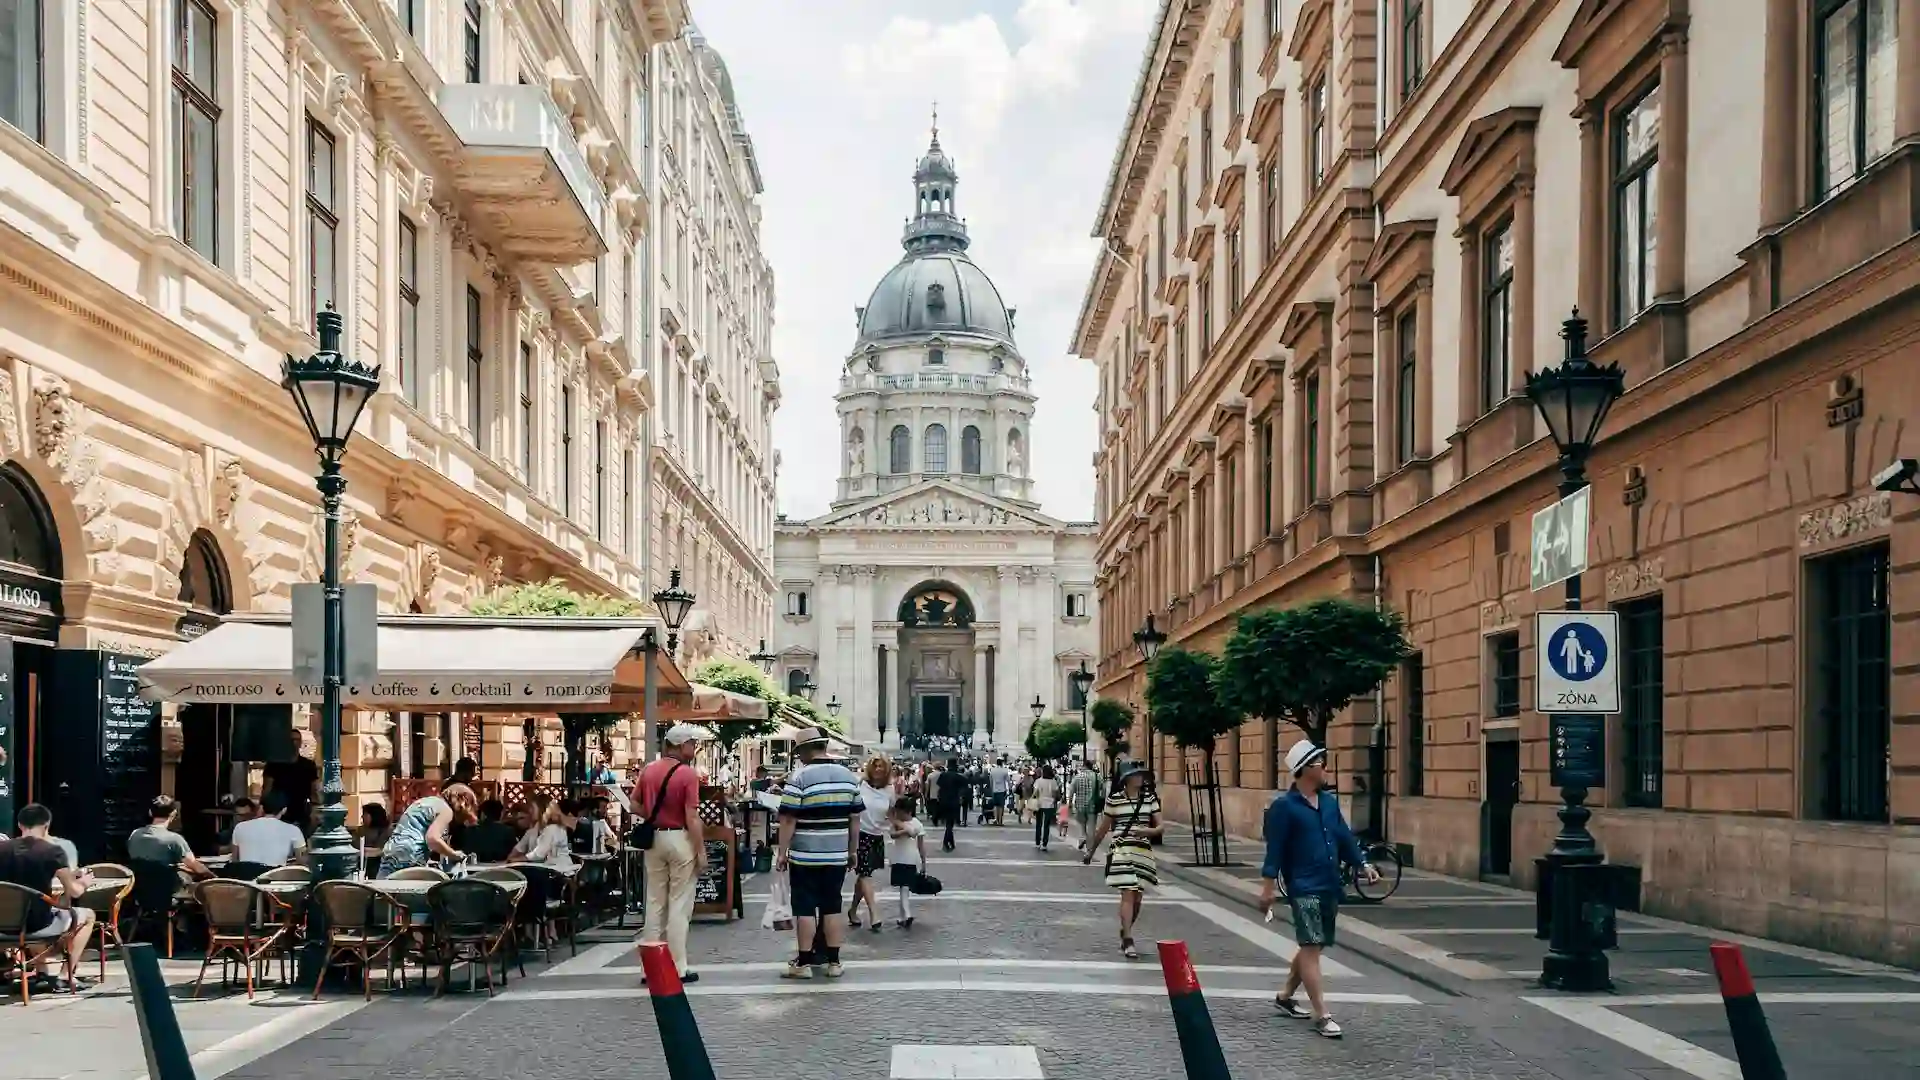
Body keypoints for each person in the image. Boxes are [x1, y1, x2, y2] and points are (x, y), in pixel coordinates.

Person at [1259, 741, 1377, 1040]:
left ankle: (1285, 996)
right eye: (1322, 763)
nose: (1326, 769)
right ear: (1308, 768)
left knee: (1315, 943)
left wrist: (1362, 864)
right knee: (1311, 946)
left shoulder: (1329, 803)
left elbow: (1344, 836)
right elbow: (1275, 850)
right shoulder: (1284, 807)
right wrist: (1268, 887)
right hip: (1303, 886)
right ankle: (1322, 1015)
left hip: (1329, 884)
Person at [773, 726, 861, 980]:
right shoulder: (848, 776)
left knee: (805, 907)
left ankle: (803, 962)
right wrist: (852, 850)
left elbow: (788, 819)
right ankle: (834, 962)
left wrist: (782, 852)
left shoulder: (799, 778)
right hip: (836, 853)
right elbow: (855, 818)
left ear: (805, 751)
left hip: (805, 854)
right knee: (832, 906)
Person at [634, 724, 709, 982]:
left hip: (654, 838)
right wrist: (701, 850)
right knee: (679, 905)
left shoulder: (649, 770)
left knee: (655, 902)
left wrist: (653, 816)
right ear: (680, 745)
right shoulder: (687, 774)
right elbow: (692, 816)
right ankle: (678, 967)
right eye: (692, 744)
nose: (694, 748)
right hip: (680, 839)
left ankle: (649, 968)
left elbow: (634, 804)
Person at [0, 804, 96, 993]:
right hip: (37, 923)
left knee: (35, 908)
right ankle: (65, 977)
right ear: (47, 825)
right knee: (88, 915)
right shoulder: (53, 851)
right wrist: (84, 881)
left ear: (20, 825)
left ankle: (41, 972)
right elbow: (74, 892)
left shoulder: (2, 849)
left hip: (3, 924)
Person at [1081, 761, 1161, 959]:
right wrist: (1091, 852)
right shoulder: (1115, 800)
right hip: (1121, 849)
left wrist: (1146, 831)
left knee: (1138, 898)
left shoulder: (1150, 798)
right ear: (1127, 779)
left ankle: (1125, 930)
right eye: (1136, 775)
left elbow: (1161, 828)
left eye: (1142, 775)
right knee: (1128, 892)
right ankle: (1128, 939)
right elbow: (1103, 828)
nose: (1140, 778)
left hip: (1142, 851)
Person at [377, 784, 476, 878]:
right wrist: (453, 854)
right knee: (413, 893)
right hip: (412, 854)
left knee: (382, 890)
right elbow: (432, 839)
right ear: (462, 801)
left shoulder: (424, 802)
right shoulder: (446, 810)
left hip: (392, 850)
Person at [848, 756, 893, 931]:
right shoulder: (860, 784)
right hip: (860, 835)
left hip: (877, 836)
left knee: (863, 876)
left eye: (881, 766)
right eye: (875, 766)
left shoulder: (890, 790)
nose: (878, 769)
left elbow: (891, 812)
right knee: (865, 874)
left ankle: (852, 910)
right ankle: (874, 913)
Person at [128, 796, 214, 879]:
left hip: (139, 886)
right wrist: (215, 878)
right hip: (168, 888)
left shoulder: (135, 834)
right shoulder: (175, 839)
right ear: (173, 813)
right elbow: (195, 866)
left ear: (150, 812)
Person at [230, 791, 307, 866]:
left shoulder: (239, 827)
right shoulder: (293, 830)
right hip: (275, 877)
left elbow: (234, 860)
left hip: (245, 877)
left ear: (262, 808)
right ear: (284, 810)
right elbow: (302, 861)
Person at [886, 796, 927, 929]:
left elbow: (921, 846)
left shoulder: (917, 824)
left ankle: (906, 915)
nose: (897, 814)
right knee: (903, 888)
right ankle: (903, 917)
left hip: (909, 859)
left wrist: (923, 862)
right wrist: (906, 831)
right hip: (899, 858)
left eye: (900, 812)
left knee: (904, 887)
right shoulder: (898, 824)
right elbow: (892, 834)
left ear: (908, 812)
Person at [508, 799, 577, 870]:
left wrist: (518, 859)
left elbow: (539, 854)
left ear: (542, 809)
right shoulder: (535, 828)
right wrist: (510, 858)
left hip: (558, 870)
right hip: (544, 868)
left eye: (532, 808)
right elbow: (520, 846)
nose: (530, 811)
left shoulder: (553, 828)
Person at [263, 752, 319, 834]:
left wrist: (314, 809)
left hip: (301, 811)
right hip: (279, 811)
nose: (294, 743)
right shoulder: (274, 763)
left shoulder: (308, 764)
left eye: (297, 740)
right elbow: (267, 788)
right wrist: (264, 808)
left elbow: (313, 790)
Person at [464, 799, 519, 863]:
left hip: (475, 870)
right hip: (502, 869)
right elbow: (514, 854)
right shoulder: (508, 831)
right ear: (500, 814)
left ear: (483, 814)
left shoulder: (471, 831)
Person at [933, 757, 965, 852]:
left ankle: (950, 841)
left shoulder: (943, 775)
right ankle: (947, 842)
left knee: (948, 823)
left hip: (943, 801)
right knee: (950, 824)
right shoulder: (958, 776)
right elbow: (964, 787)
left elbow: (939, 787)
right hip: (953, 801)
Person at [1068, 764, 1104, 849]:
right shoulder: (1097, 776)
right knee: (1091, 827)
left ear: (1083, 767)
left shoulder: (1077, 777)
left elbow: (1071, 790)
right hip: (1093, 806)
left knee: (1081, 824)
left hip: (1080, 806)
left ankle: (1082, 837)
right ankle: (1089, 847)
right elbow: (1103, 789)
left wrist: (1069, 802)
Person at [1031, 764, 1059, 850]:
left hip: (1040, 803)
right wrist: (1054, 801)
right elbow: (1055, 794)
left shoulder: (1038, 781)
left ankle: (1037, 842)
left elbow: (1036, 792)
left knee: (1039, 823)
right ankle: (1044, 844)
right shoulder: (1053, 781)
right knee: (1047, 825)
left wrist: (1032, 799)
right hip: (1050, 804)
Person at [986, 758, 1011, 825]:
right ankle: (1000, 821)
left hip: (994, 790)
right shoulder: (1004, 771)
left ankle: (996, 819)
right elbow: (1008, 781)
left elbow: (990, 781)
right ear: (1002, 763)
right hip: (1002, 790)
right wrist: (1010, 788)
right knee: (1001, 806)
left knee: (995, 806)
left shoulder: (992, 770)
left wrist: (991, 788)